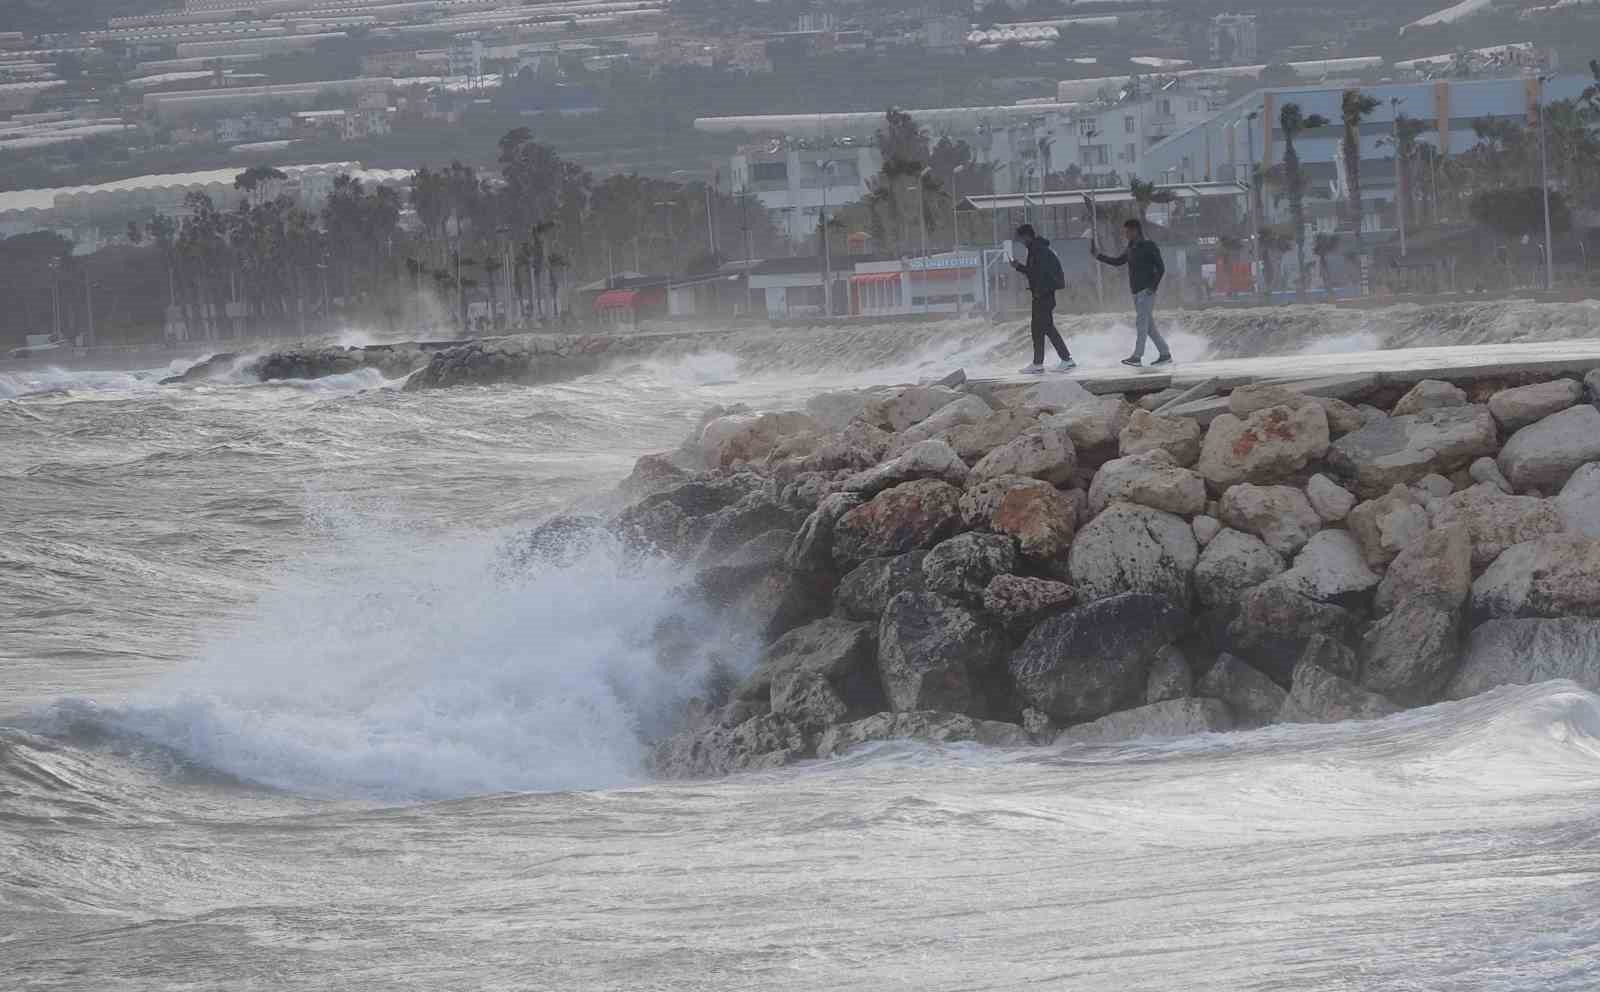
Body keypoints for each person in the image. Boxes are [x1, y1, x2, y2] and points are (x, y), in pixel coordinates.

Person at [1092, 218, 1172, 368]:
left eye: (1127, 231)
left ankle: (1137, 356)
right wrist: (1099, 256)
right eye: (1125, 231)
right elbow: (1118, 262)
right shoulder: (1131, 247)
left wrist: (1152, 287)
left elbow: (1161, 268)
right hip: (1135, 293)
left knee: (1141, 324)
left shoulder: (1148, 245)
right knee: (1149, 327)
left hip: (1146, 292)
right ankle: (1165, 354)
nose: (1125, 234)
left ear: (1135, 230)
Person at [1009, 223, 1074, 375]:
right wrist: (1018, 266)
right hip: (1039, 295)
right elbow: (1033, 271)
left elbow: (1041, 274)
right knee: (1037, 329)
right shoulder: (1035, 250)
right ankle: (1038, 364)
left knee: (1047, 328)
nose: (1020, 242)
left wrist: (1039, 291)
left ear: (1027, 236)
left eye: (1021, 239)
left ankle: (1067, 359)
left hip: (1043, 295)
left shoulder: (1039, 250)